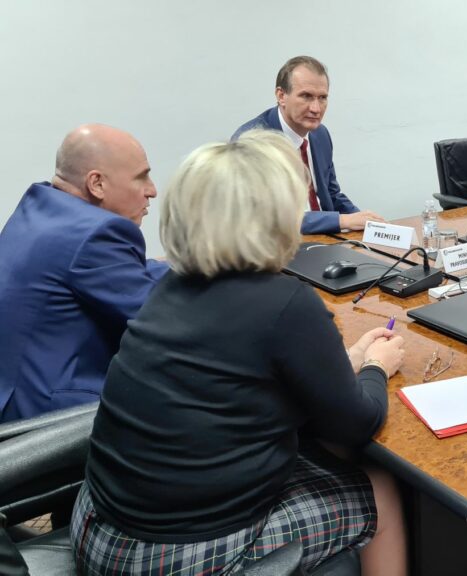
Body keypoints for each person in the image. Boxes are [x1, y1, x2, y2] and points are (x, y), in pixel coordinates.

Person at [71, 130, 407, 576]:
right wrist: (376, 367)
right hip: (166, 557)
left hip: (96, 526)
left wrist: (344, 363)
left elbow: (236, 378)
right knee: (379, 488)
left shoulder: (170, 285)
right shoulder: (285, 302)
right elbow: (357, 425)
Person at [0, 124, 168, 423]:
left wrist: (175, 263)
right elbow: (161, 318)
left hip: (15, 398)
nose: (152, 190)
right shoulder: (97, 233)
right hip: (48, 422)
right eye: (141, 177)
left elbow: (112, 273)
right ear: (97, 183)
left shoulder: (41, 207)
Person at [234, 55, 384, 235]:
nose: (316, 108)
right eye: (306, 96)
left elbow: (332, 195)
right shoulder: (252, 142)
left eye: (322, 98)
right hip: (277, 244)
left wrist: (368, 223)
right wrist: (342, 221)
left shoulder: (320, 135)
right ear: (281, 96)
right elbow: (269, 218)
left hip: (326, 239)